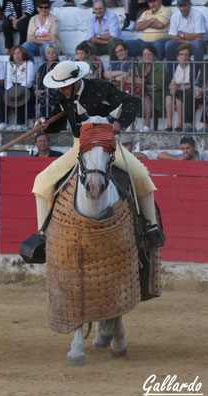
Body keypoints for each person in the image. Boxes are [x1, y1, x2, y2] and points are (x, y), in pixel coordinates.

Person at [25, 60, 164, 262]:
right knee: (41, 182)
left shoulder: (100, 88)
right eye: (60, 87)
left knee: (142, 175)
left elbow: (133, 102)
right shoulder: (61, 96)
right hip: (79, 146)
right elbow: (57, 123)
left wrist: (119, 122)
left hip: (108, 143)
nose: (62, 90)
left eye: (65, 86)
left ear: (76, 81)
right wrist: (43, 124)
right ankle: (43, 236)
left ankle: (151, 226)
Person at [164, 0, 205, 76]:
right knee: (169, 44)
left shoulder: (198, 15)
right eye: (180, 6)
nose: (183, 8)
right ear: (178, 6)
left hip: (195, 43)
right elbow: (174, 37)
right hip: (187, 43)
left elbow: (199, 36)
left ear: (190, 4)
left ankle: (195, 76)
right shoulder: (174, 17)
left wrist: (182, 35)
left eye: (185, 5)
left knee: (197, 43)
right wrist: (190, 41)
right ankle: (173, 76)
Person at [0, 44, 35, 130]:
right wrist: (10, 90)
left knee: (19, 96)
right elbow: (8, 80)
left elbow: (29, 81)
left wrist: (19, 90)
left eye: (19, 53)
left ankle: (21, 123)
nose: (17, 55)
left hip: (25, 87)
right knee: (2, 96)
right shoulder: (10, 65)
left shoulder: (29, 64)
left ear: (23, 54)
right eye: (15, 53)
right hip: (12, 87)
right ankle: (3, 122)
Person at [164, 43, 194, 132]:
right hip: (176, 88)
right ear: (178, 55)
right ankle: (169, 125)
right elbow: (170, 82)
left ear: (189, 56)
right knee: (168, 97)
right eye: (181, 54)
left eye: (186, 55)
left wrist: (178, 88)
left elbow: (191, 84)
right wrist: (171, 88)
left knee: (178, 99)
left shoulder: (192, 66)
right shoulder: (175, 65)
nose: (183, 57)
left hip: (187, 90)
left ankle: (179, 125)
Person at [138, 45, 165, 131]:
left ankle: (147, 124)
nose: (146, 57)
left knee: (147, 96)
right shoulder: (140, 64)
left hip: (158, 93)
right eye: (144, 55)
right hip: (141, 91)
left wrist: (143, 86)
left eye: (149, 55)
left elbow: (158, 86)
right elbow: (136, 81)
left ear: (154, 56)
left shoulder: (159, 65)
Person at [35, 43, 59, 118]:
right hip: (43, 91)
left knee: (46, 96)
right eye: (48, 53)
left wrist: (45, 91)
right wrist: (38, 90)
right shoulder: (43, 66)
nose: (50, 55)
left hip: (56, 91)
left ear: (57, 54)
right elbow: (39, 80)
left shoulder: (59, 66)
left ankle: (44, 119)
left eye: (53, 52)